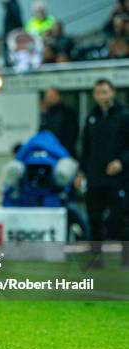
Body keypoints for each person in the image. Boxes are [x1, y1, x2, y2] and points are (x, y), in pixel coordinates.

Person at [76, 79, 129, 267]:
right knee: (94, 218)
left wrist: (121, 162)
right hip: (95, 178)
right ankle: (96, 258)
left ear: (112, 93)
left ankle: (126, 257)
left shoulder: (124, 116)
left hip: (118, 179)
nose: (102, 96)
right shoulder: (91, 117)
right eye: (98, 92)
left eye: (105, 92)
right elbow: (86, 148)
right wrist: (81, 172)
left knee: (120, 217)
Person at [40, 87, 79, 158]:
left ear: (58, 96)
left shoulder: (68, 113)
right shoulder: (46, 115)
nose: (49, 99)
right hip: (49, 154)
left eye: (51, 96)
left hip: (65, 154)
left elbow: (72, 135)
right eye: (47, 97)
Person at [2, 0, 23, 67]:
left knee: (12, 58)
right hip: (10, 36)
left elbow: (18, 22)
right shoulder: (10, 7)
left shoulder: (13, 6)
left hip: (12, 36)